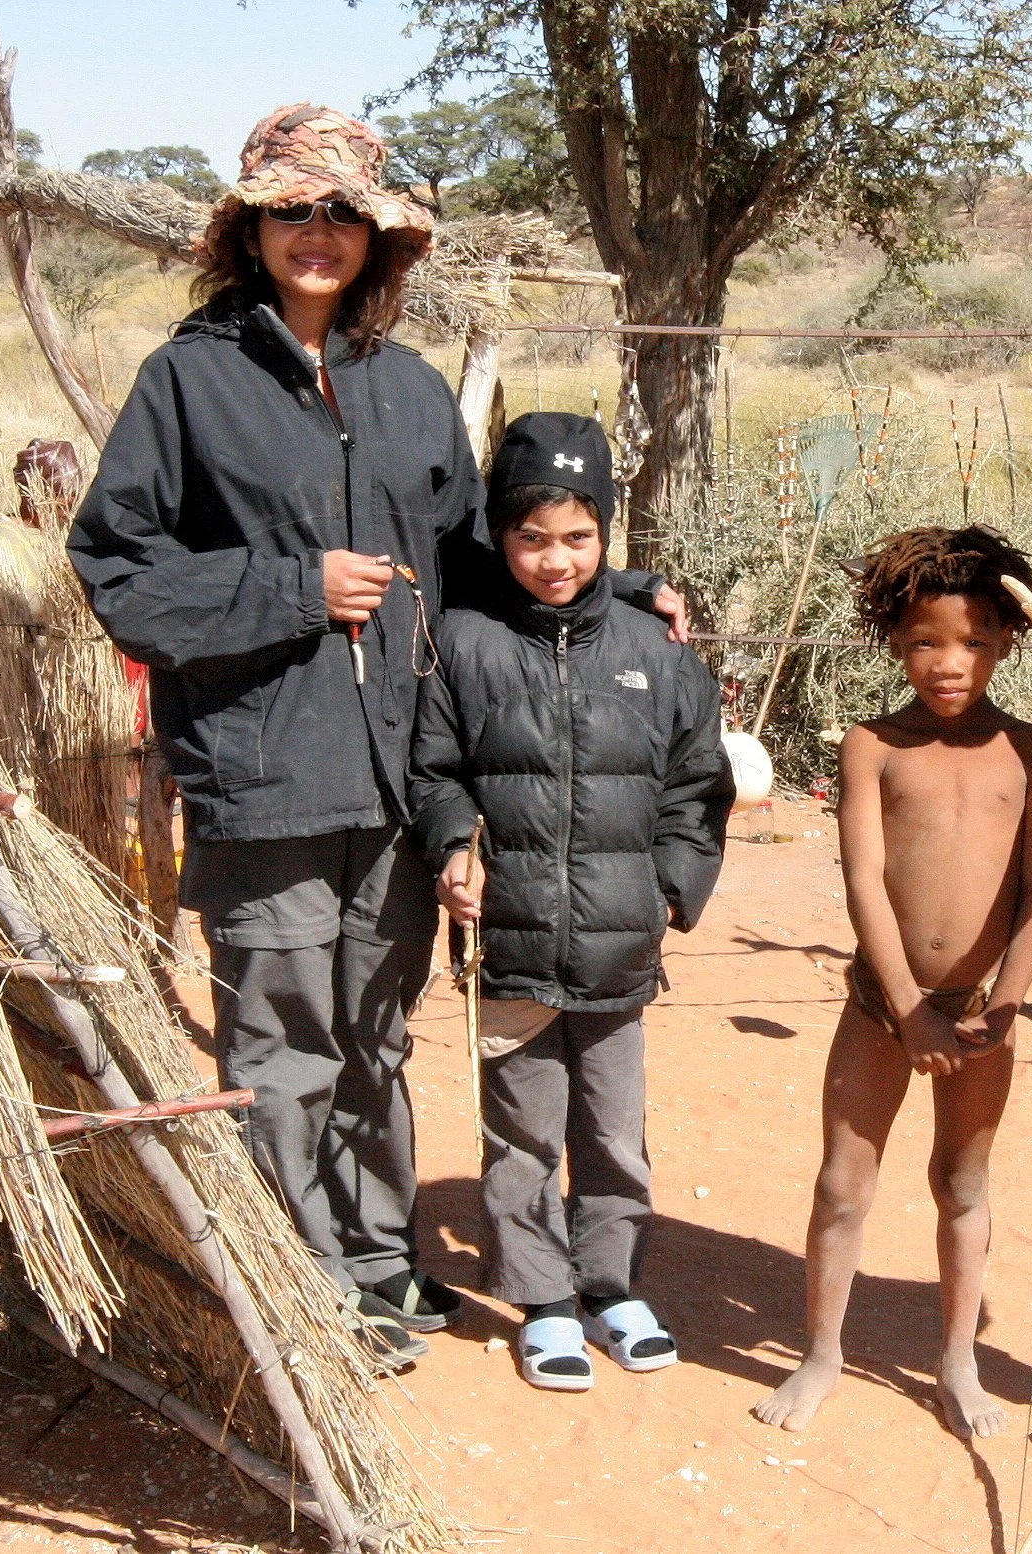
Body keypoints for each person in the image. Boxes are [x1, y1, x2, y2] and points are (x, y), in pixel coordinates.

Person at [67, 106, 683, 1367]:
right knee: (283, 1047)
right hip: (265, 773)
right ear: (250, 229)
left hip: (402, 779)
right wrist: (294, 589)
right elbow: (115, 567)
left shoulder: (406, 392)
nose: (317, 234)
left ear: (376, 239)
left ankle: (377, 1261)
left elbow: (475, 564)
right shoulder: (187, 381)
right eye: (292, 211)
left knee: (374, 1038)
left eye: (341, 213)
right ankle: (296, 1292)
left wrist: (617, 592)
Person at [408, 413, 733, 1392]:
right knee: (520, 1133)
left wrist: (669, 891)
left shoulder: (658, 653)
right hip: (505, 948)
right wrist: (452, 847)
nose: (555, 559)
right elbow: (436, 772)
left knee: (612, 1131)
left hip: (620, 949)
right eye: (531, 537)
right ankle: (544, 1298)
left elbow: (697, 784)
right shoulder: (463, 645)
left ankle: (610, 1282)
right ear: (500, 538)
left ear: (609, 535)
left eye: (578, 537)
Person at [755, 526, 1032, 1437]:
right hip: (879, 1008)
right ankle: (821, 1355)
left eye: (971, 641)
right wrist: (906, 1009)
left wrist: (1004, 1006)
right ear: (894, 639)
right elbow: (861, 881)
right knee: (842, 1186)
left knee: (962, 1185)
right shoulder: (873, 745)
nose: (948, 663)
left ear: (1007, 638)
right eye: (926, 641)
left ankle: (959, 1363)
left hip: (981, 1020)